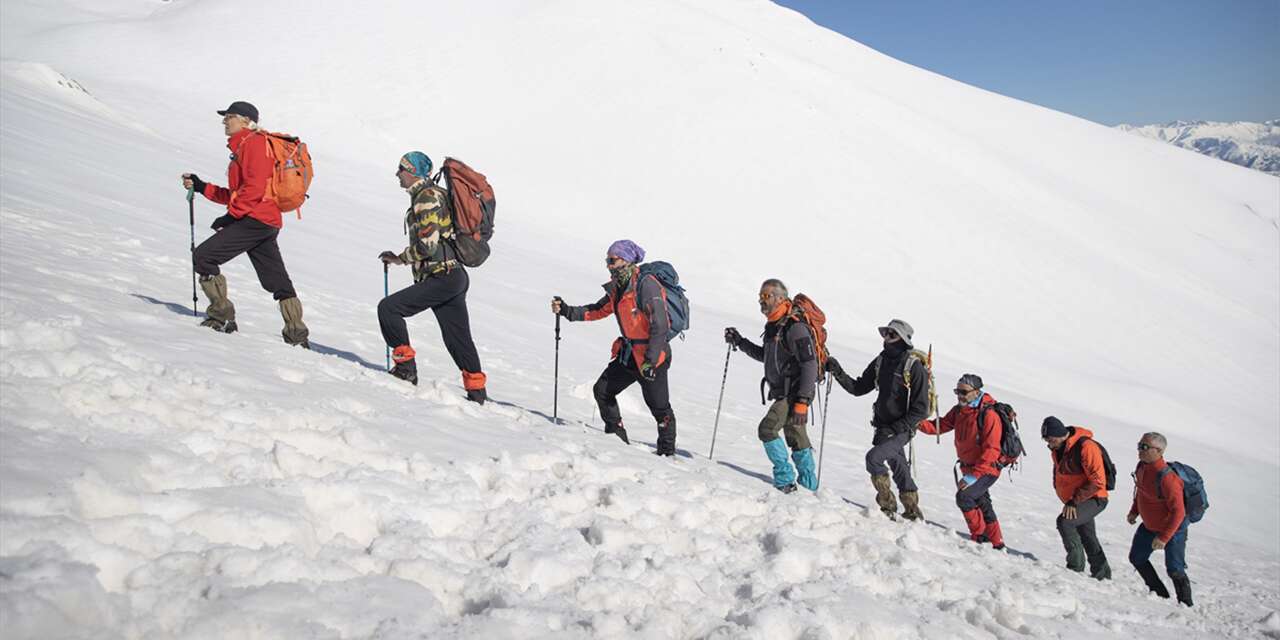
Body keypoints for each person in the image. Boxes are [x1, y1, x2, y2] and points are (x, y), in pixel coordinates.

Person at [181, 101, 309, 347]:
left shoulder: (255, 144)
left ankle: (222, 318)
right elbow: (238, 193)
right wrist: (201, 187)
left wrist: (231, 216)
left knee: (204, 257)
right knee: (276, 279)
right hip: (264, 220)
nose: (224, 121)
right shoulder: (245, 146)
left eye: (229, 116)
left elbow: (254, 189)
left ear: (245, 120)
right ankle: (297, 336)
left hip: (256, 219)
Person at [377, 152, 487, 404]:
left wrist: (399, 259)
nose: (398, 174)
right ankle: (477, 391)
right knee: (457, 338)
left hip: (442, 276)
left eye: (401, 169)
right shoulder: (433, 194)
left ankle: (406, 369)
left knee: (389, 309)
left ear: (414, 172)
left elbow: (427, 245)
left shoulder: (426, 198)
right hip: (453, 275)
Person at [551, 240, 676, 455]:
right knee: (602, 391)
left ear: (626, 260)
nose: (608, 265)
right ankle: (616, 442)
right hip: (629, 354)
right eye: (607, 260)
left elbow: (661, 325)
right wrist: (567, 311)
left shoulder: (647, 285)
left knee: (660, 409)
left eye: (612, 260)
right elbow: (598, 309)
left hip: (652, 357)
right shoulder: (619, 287)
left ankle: (667, 454)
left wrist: (651, 360)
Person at [825, 319, 928, 520]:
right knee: (898, 464)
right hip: (882, 427)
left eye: (892, 334)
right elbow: (858, 388)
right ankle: (912, 511)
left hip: (901, 429)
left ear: (903, 339)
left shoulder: (913, 367)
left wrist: (897, 428)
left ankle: (887, 507)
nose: (886, 338)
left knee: (873, 458)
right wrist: (837, 371)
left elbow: (921, 409)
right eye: (885, 333)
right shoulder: (881, 361)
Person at [723, 279, 818, 493]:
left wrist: (802, 401)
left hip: (794, 392)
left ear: (781, 298)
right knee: (796, 436)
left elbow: (809, 364)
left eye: (766, 296)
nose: (761, 301)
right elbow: (765, 356)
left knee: (767, 429)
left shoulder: (795, 327)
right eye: (760, 296)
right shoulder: (774, 326)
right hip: (784, 391)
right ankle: (809, 486)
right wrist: (739, 341)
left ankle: (785, 481)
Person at [918, 374, 1005, 548]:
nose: (960, 396)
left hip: (987, 468)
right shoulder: (959, 410)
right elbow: (941, 425)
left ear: (977, 391)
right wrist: (918, 423)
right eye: (957, 391)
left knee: (964, 497)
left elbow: (991, 450)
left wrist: (974, 476)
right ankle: (997, 543)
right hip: (969, 468)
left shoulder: (989, 415)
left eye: (964, 392)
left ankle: (980, 538)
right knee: (982, 502)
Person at [1042, 417, 1112, 580]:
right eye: (1046, 440)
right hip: (1077, 500)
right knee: (1087, 536)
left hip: (1094, 497)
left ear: (1060, 435)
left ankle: (1075, 569)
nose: (1048, 444)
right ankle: (1103, 575)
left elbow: (1097, 481)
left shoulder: (1086, 447)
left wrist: (1074, 501)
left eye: (1050, 439)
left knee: (1065, 522)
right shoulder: (1058, 448)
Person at [1127, 432, 1192, 606]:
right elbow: (1141, 492)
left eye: (1144, 447)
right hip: (1149, 527)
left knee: (1175, 569)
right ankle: (1159, 594)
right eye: (1139, 445)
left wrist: (1164, 537)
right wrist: (1134, 511)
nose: (1139, 450)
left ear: (1159, 451)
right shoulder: (1142, 467)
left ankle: (1186, 606)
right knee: (1137, 558)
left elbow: (1179, 512)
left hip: (1173, 531)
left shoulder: (1169, 479)